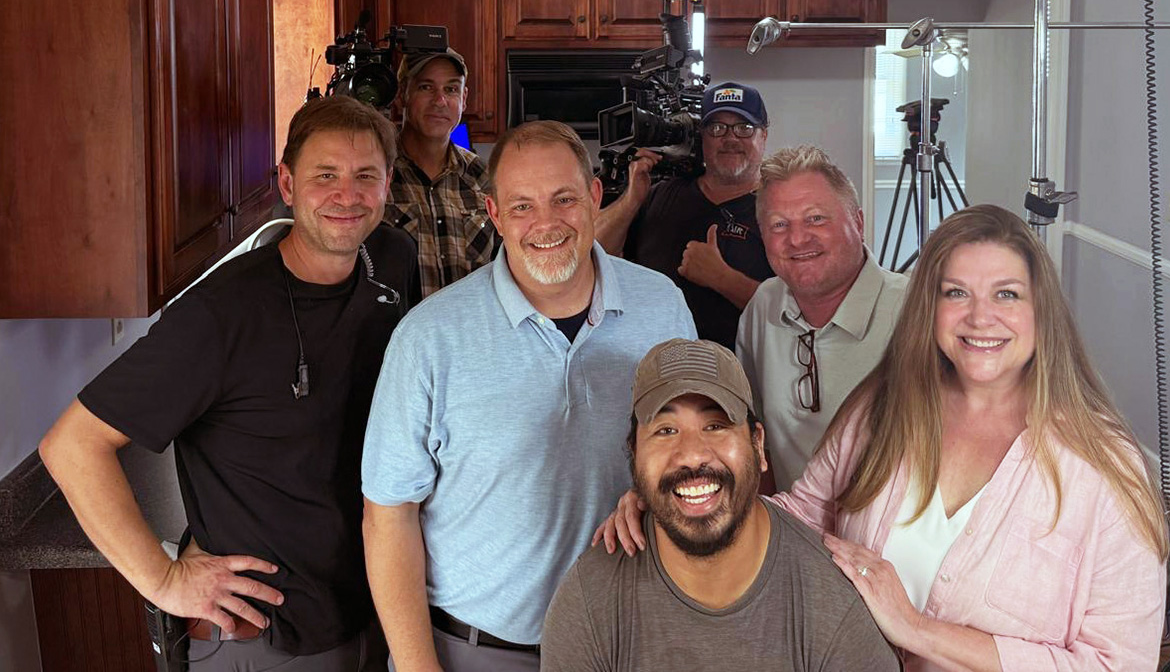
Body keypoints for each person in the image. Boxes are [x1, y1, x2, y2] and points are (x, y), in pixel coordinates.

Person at [605, 204, 1170, 671]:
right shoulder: (884, 410)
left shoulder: (1106, 470)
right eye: (955, 293)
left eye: (1006, 294)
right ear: (929, 306)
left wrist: (917, 630)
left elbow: (1116, 664)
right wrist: (680, 496)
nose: (979, 317)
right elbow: (800, 518)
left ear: (1041, 310)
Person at [38, 96, 417, 670]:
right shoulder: (220, 315)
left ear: (388, 184)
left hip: (379, 604)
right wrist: (164, 581)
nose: (348, 195)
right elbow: (71, 445)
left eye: (366, 175)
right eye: (325, 176)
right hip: (267, 633)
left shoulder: (392, 259)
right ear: (287, 184)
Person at [361, 120, 697, 672]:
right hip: (477, 651)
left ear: (594, 197)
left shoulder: (662, 307)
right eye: (522, 206)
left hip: (630, 642)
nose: (546, 223)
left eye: (564, 198)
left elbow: (694, 455)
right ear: (494, 215)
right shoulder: (428, 337)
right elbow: (388, 514)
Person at [541, 338, 900, 672]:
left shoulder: (830, 605)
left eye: (716, 425)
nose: (692, 455)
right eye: (665, 430)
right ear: (635, 457)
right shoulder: (592, 598)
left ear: (758, 446)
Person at [738, 146, 908, 489]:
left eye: (816, 218)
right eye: (779, 225)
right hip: (793, 529)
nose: (797, 238)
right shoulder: (764, 306)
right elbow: (756, 444)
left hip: (886, 538)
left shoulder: (915, 311)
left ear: (858, 223)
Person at [596, 82, 774, 350]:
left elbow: (796, 315)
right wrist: (632, 199)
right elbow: (593, 255)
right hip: (653, 372)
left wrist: (723, 279)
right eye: (717, 128)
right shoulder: (660, 195)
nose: (730, 138)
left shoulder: (780, 208)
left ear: (764, 136)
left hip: (743, 380)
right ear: (701, 136)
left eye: (744, 128)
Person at [385, 47, 497, 298]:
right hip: (399, 334)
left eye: (451, 89)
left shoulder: (482, 177)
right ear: (403, 93)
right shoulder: (378, 174)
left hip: (471, 332)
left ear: (464, 98)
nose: (440, 101)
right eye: (426, 87)